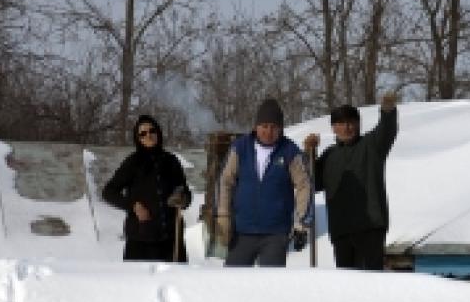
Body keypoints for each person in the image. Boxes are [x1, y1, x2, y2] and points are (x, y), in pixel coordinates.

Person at [303, 93, 398, 270]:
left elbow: (386, 131)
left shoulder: (371, 145)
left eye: (351, 123)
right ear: (333, 128)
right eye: (340, 123)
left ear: (358, 124)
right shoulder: (330, 155)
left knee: (371, 280)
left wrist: (388, 111)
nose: (346, 128)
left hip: (370, 227)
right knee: (346, 283)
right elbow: (312, 183)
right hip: (341, 229)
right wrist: (309, 154)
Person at [214, 97, 312, 267]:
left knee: (271, 285)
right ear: (256, 126)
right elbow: (225, 181)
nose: (268, 131)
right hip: (242, 231)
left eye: (274, 127)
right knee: (232, 282)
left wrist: (301, 224)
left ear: (281, 129)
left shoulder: (290, 151)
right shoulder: (240, 148)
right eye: (264, 126)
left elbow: (305, 185)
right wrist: (223, 216)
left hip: (275, 233)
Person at [102, 114, 192, 262]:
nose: (148, 135)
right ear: (138, 138)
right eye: (143, 133)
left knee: (175, 282)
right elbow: (108, 192)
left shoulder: (171, 161)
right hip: (141, 239)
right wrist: (133, 206)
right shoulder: (132, 163)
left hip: (171, 240)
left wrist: (184, 199)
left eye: (152, 131)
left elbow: (185, 191)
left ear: (158, 133)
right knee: (138, 284)